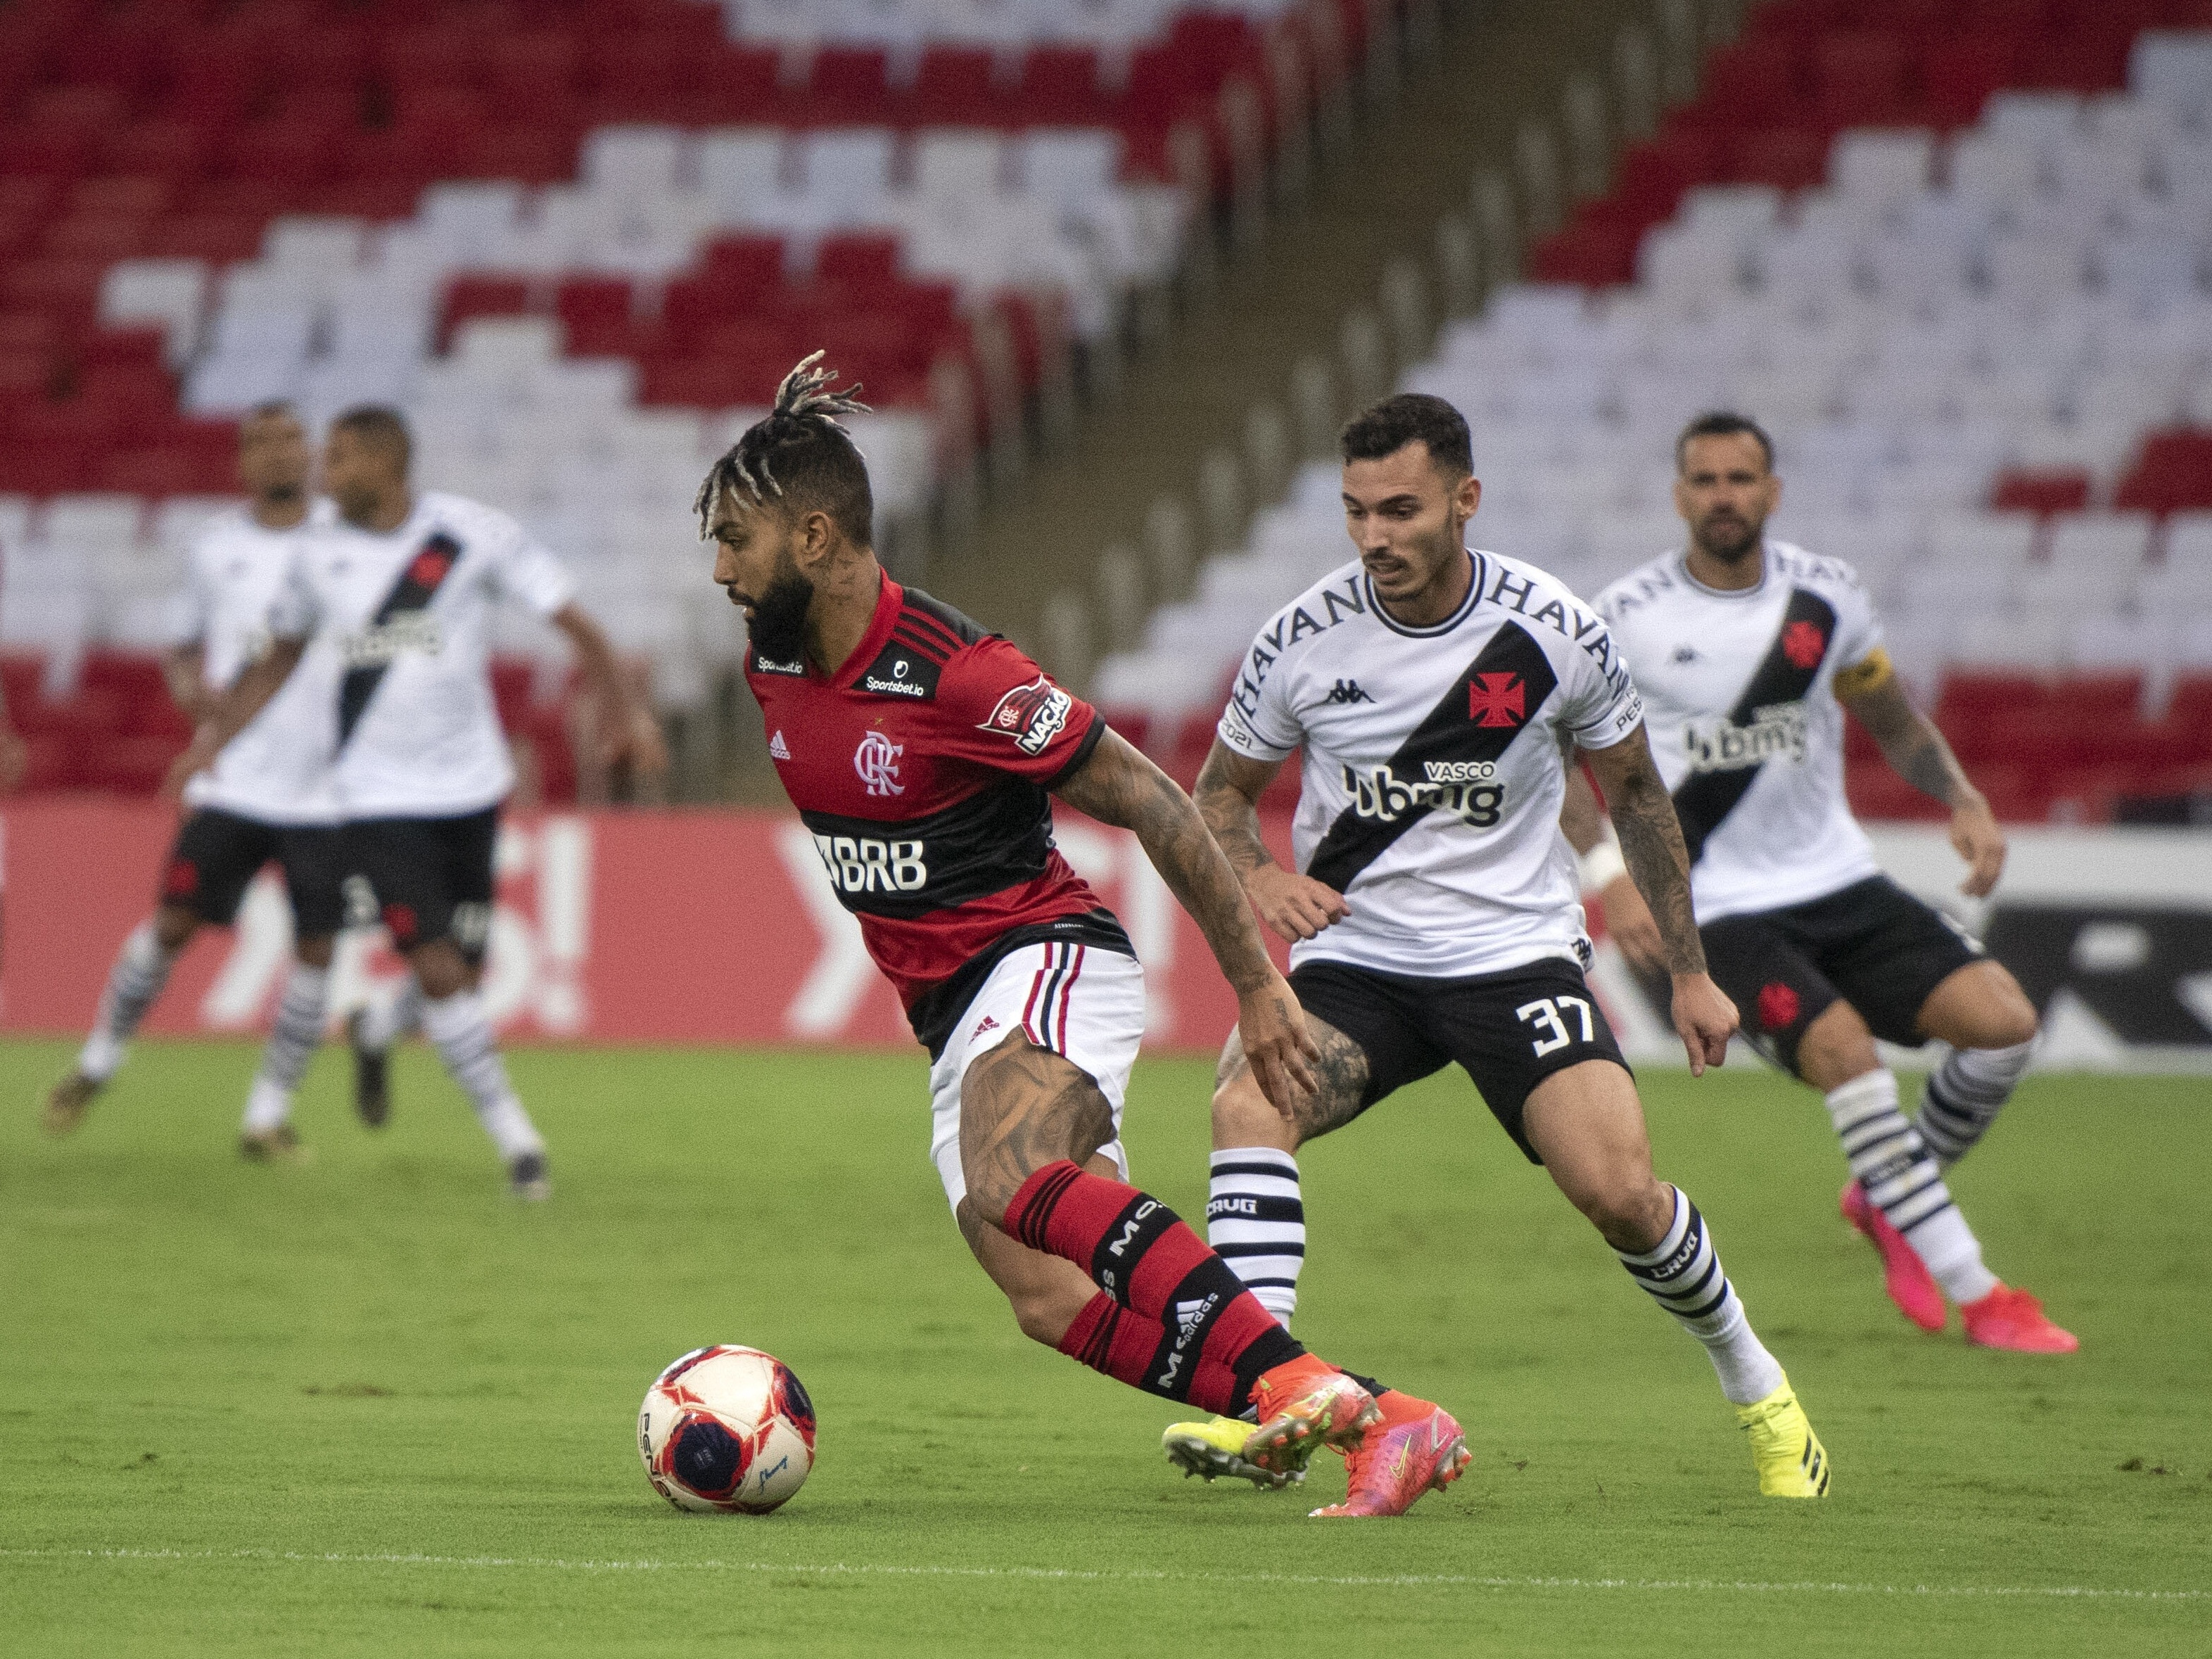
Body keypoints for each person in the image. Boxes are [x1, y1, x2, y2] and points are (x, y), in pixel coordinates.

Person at [701, 355, 1459, 1515]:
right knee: (1042, 1293)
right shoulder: (770, 656)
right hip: (952, 1010)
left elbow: (1153, 798)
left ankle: (1296, 1384)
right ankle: (1388, 1419)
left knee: (1014, 1174)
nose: (719, 571)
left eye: (735, 542)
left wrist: (1255, 983)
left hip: (1045, 955)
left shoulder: (960, 675)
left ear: (813, 537)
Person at [1176, 391, 1832, 1502]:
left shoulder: (1553, 630)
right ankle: (1268, 1396)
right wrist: (1264, 876)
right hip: (1361, 958)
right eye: (1355, 512)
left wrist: (1689, 970)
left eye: (1401, 509)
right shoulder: (1301, 637)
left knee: (1622, 1192)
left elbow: (1633, 793)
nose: (1375, 537)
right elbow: (1219, 798)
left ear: (1466, 499)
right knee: (1247, 1107)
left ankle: (1758, 1383)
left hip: (1517, 957)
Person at [1575, 411, 2073, 1353]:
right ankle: (1982, 1291)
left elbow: (1889, 713)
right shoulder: (1623, 615)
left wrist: (1961, 795)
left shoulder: (1826, 597)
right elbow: (1558, 755)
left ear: (1772, 490)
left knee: (2005, 1024)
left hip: (1836, 877)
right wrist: (1611, 872)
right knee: (1849, 1053)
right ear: (1681, 495)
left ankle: (1888, 1193)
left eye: (1742, 477)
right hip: (1710, 901)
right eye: (1707, 479)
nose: (1725, 494)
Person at [165, 405, 667, 1197]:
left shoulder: (469, 536)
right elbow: (279, 659)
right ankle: (520, 1146)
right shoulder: (315, 556)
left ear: (383, 463)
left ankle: (374, 1025)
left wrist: (626, 711)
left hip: (470, 788)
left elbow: (575, 622)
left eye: (340, 457)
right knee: (437, 968)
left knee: (463, 963)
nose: (323, 472)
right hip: (371, 796)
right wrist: (213, 740)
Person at [45, 403, 343, 1159]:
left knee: (316, 947)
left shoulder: (347, 541)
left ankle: (267, 1116)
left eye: (291, 441)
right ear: (242, 463)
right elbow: (182, 650)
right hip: (233, 776)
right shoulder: (213, 548)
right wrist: (192, 697)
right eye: (263, 444)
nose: (280, 455)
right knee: (174, 924)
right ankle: (97, 1062)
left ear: (310, 454)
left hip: (327, 785)